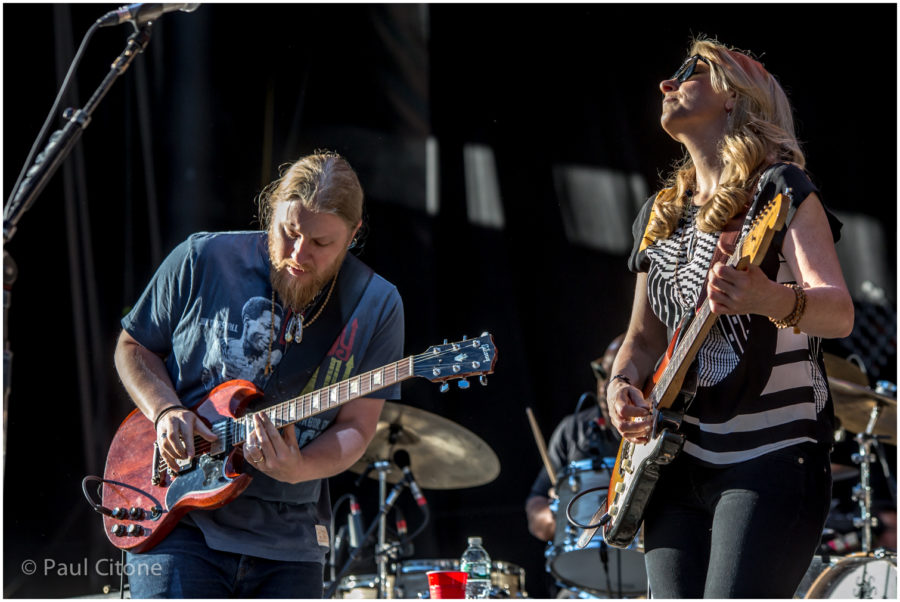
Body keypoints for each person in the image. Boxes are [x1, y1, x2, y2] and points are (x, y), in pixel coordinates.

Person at [606, 37, 854, 598]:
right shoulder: (660, 213)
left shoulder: (780, 188)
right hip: (673, 462)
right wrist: (620, 387)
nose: (666, 83)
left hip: (771, 457)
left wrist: (768, 299)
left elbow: (838, 312)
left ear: (732, 97)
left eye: (688, 71)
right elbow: (641, 341)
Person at [114, 151, 404, 598]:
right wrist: (165, 410)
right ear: (272, 211)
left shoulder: (376, 305)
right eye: (289, 232)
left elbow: (356, 428)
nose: (299, 254)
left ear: (353, 234)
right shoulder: (202, 257)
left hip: (289, 542)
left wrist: (301, 467)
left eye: (321, 243)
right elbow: (133, 347)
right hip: (179, 522)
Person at [525, 335, 624, 543]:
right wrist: (552, 517)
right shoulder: (572, 429)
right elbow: (537, 502)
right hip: (580, 551)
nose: (605, 386)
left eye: (617, 377)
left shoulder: (655, 429)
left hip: (641, 552)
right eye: (601, 373)